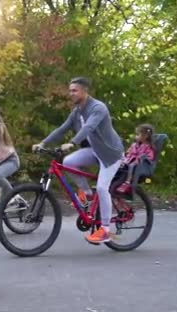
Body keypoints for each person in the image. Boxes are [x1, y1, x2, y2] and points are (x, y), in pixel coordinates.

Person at [32, 77, 124, 244]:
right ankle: (88, 194)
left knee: (103, 188)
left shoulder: (98, 108)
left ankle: (105, 229)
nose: (71, 93)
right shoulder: (77, 111)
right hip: (95, 150)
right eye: (70, 90)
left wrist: (72, 142)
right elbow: (62, 128)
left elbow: (89, 127)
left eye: (74, 90)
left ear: (84, 91)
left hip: (111, 155)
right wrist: (43, 143)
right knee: (68, 162)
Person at [115, 124, 156, 194]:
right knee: (119, 163)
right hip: (129, 159)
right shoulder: (135, 145)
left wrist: (140, 158)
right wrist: (126, 155)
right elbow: (129, 152)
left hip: (139, 164)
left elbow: (149, 156)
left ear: (145, 136)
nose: (136, 136)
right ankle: (114, 180)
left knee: (131, 165)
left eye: (138, 134)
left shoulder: (147, 147)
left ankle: (127, 182)